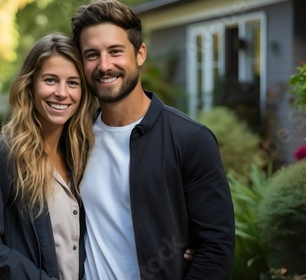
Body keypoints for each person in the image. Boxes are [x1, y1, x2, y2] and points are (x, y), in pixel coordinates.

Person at [71, 0, 236, 279]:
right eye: (91, 55)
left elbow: (216, 249)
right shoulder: (75, 139)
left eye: (115, 51)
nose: (104, 65)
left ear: (140, 54)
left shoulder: (191, 140)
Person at [0, 33, 98, 280]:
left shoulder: (80, 156)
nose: (61, 92)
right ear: (30, 84)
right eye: (50, 80)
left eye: (73, 83)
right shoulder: (1, 155)